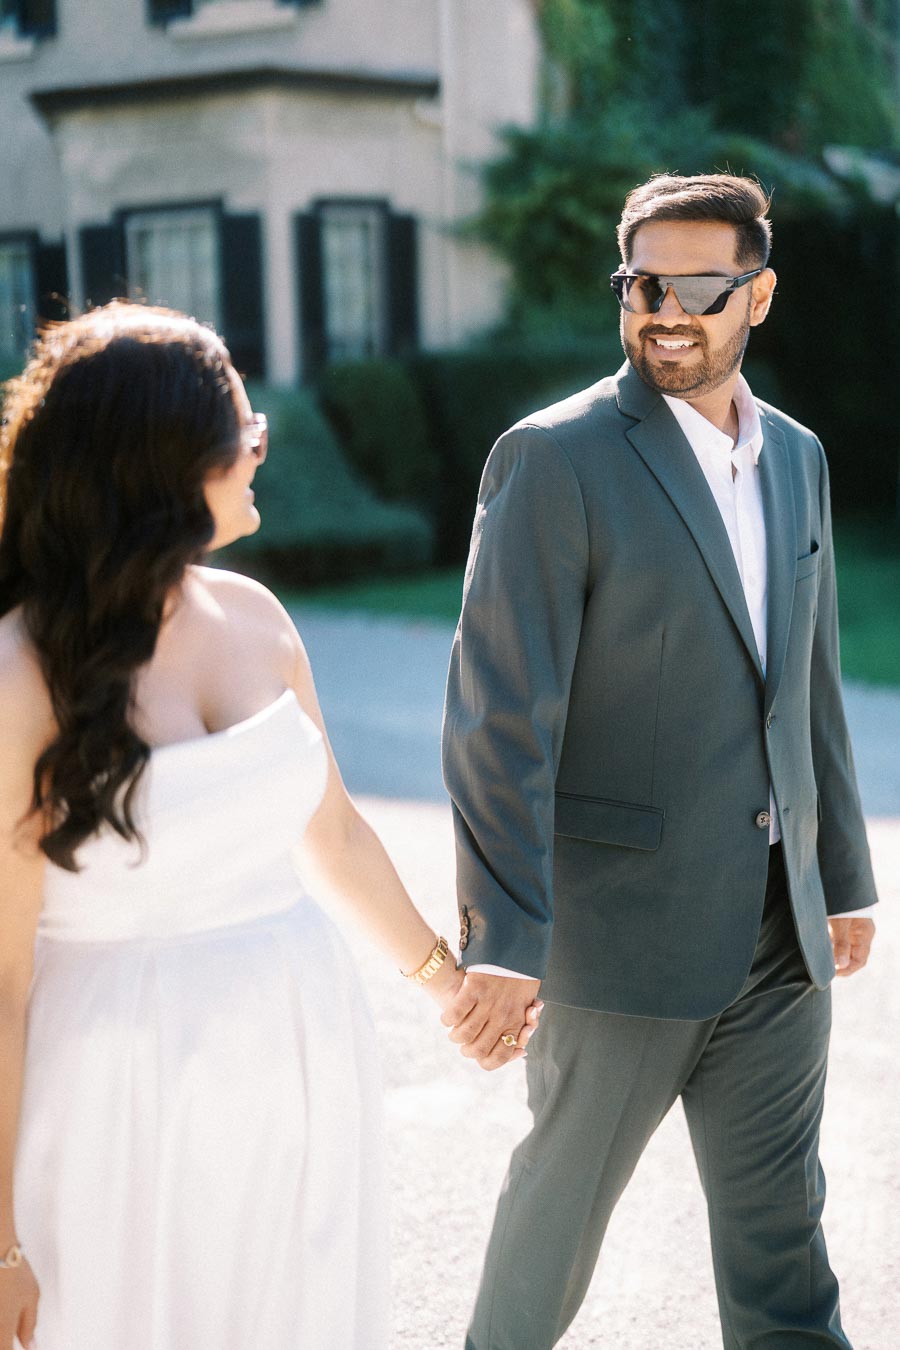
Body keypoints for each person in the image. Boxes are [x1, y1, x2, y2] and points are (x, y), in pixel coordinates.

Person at [0, 302, 541, 1350]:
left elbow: (331, 836)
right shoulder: (21, 671)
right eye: (244, 434)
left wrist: (447, 986)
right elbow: (0, 977)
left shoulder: (257, 617)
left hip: (296, 1056)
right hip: (116, 1087)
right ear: (165, 466)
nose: (262, 451)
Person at [440, 174, 878, 1348]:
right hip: (615, 941)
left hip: (780, 941)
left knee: (787, 1253)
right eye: (644, 283)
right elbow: (499, 719)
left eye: (700, 285)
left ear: (761, 295)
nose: (667, 310)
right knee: (548, 1252)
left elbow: (808, 680)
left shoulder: (797, 457)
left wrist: (840, 868)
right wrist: (506, 943)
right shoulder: (554, 459)